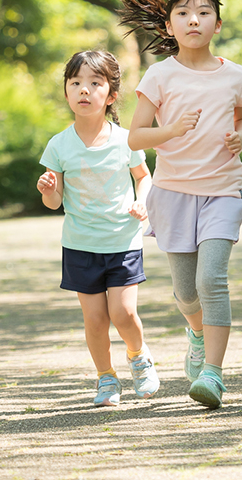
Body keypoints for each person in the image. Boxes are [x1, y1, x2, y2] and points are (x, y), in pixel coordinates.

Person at [119, 0, 242, 410]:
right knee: (186, 291)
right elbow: (135, 138)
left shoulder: (235, 74)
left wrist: (241, 137)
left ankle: (213, 374)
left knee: (211, 279)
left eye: (204, 12)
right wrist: (172, 130)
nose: (193, 20)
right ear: (170, 24)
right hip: (173, 193)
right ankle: (196, 332)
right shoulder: (160, 75)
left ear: (217, 23)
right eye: (183, 13)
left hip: (224, 190)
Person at [36, 50, 160, 407]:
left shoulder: (125, 140)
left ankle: (139, 356)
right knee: (95, 319)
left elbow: (144, 177)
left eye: (94, 83)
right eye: (75, 83)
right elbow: (54, 203)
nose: (84, 91)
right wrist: (49, 189)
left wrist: (143, 202)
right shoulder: (58, 145)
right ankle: (106, 379)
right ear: (66, 92)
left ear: (110, 94)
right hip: (80, 245)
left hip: (122, 240)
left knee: (123, 314)